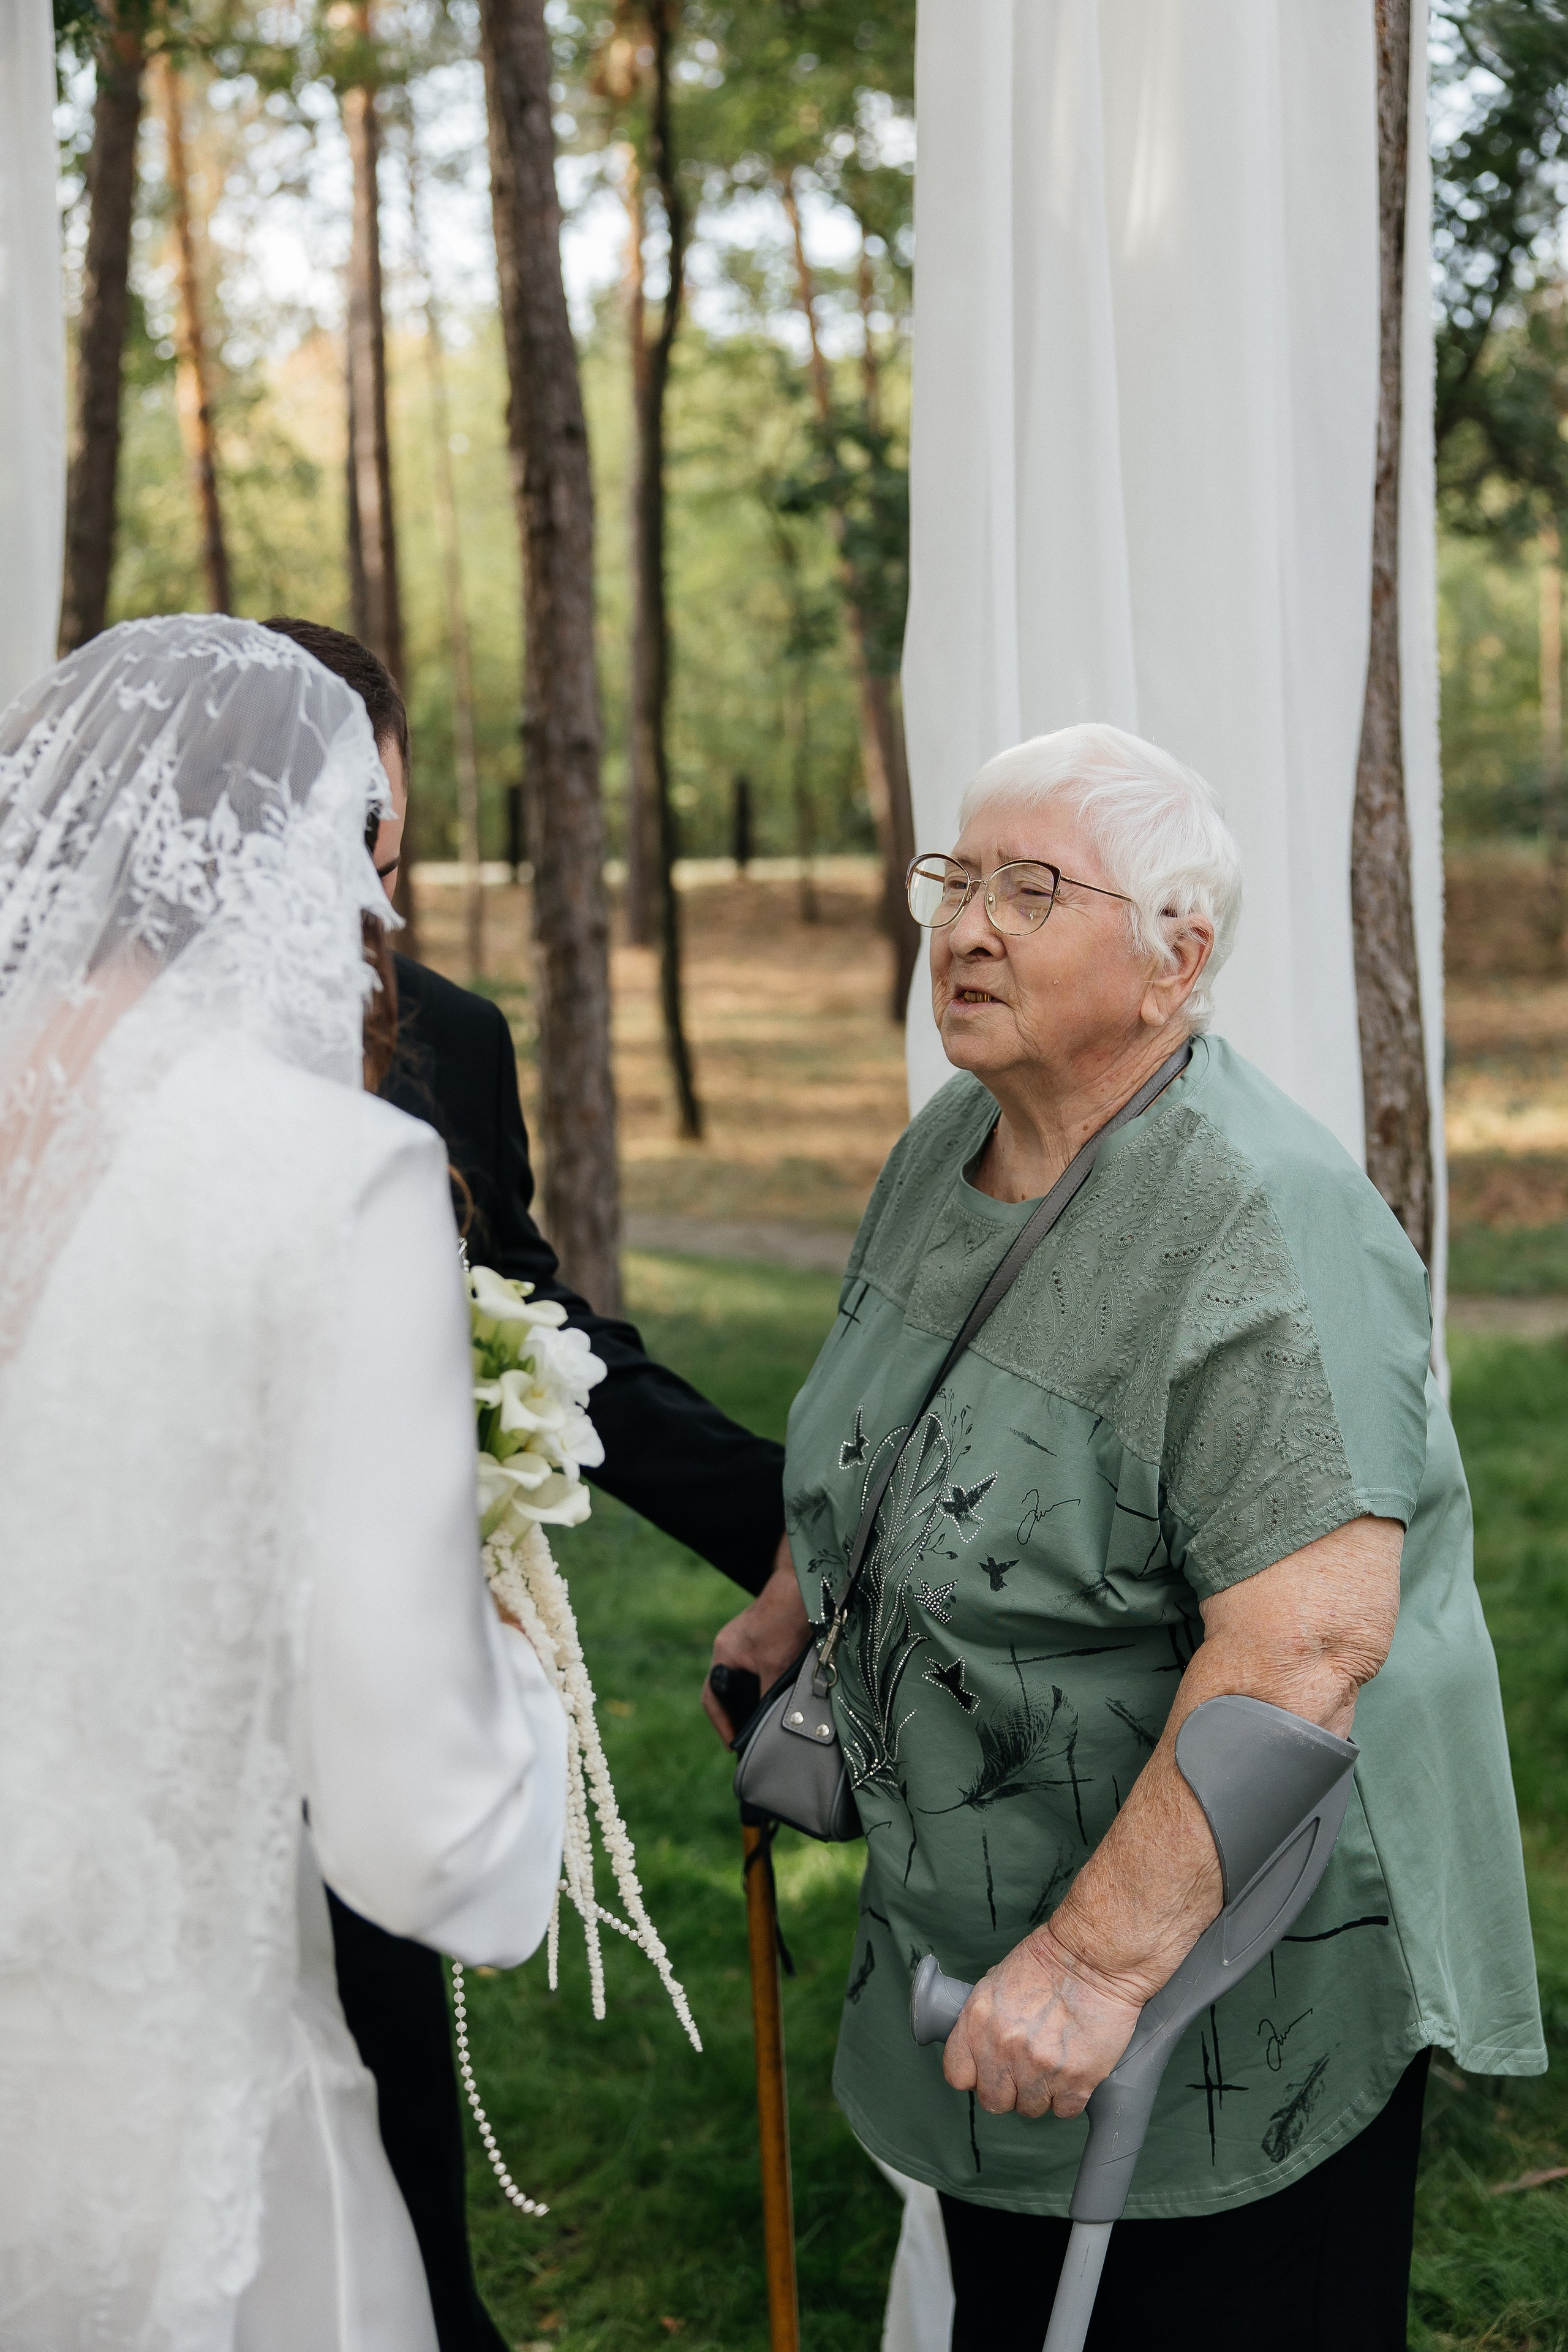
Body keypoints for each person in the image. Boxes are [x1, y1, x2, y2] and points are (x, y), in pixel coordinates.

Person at [706, 723, 1545, 2351]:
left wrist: (1094, 1966)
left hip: (1209, 1978)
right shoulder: (951, 1149)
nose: (967, 927)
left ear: (1178, 961)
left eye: (1032, 890)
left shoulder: (1262, 1228)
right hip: (975, 1931)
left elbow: (1304, 1646)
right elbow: (896, 1411)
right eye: (956, 880)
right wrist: (793, 1600)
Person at [0, 616, 571, 2350]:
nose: (381, 916)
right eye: (369, 856)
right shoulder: (336, 1177)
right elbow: (427, 1837)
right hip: (195, 2113)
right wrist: (521, 1690)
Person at [261, 617, 791, 2350]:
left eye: (392, 853)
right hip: (144, 1696)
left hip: (356, 1701)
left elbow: (540, 1327)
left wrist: (800, 1533)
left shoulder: (449, 1039)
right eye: (340, 849)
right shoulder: (60, 1075)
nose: (378, 911)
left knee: (390, 2166)